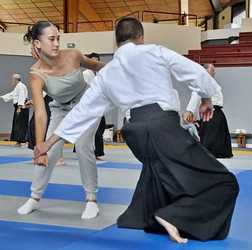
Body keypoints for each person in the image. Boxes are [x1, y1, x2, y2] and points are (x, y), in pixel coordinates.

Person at [33, 18, 239, 243]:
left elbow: (82, 112)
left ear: (117, 41)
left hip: (136, 135)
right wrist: (206, 97)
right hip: (163, 128)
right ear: (140, 38)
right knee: (224, 183)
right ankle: (172, 216)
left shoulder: (107, 73)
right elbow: (194, 72)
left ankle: (154, 217)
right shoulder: (155, 51)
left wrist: (47, 142)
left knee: (163, 175)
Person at [17, 21, 105, 219]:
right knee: (50, 149)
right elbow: (40, 112)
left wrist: (121, 69)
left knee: (83, 145)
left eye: (58, 38)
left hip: (87, 105)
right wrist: (40, 147)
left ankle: (91, 200)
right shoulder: (36, 73)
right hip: (60, 108)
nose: (56, 43)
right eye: (51, 39)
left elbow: (97, 65)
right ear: (38, 44)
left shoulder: (72, 55)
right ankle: (34, 197)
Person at [25, 46, 66, 165]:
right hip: (48, 97)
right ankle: (44, 154)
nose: (30, 52)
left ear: (38, 51)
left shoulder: (47, 65)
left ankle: (54, 155)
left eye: (32, 49)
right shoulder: (39, 66)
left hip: (54, 98)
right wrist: (33, 101)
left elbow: (49, 84)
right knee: (37, 126)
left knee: (44, 126)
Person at [183, 64, 233, 158]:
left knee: (220, 134)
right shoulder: (202, 83)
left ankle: (221, 152)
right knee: (211, 133)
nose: (215, 72)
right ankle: (207, 152)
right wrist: (189, 111)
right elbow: (195, 96)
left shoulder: (213, 83)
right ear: (207, 72)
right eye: (213, 70)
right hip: (210, 112)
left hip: (218, 111)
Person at [83, 52, 106, 160]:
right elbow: (83, 89)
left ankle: (94, 152)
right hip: (89, 105)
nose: (95, 62)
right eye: (93, 60)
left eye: (97, 60)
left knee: (100, 127)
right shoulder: (86, 73)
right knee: (94, 130)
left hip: (99, 104)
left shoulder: (100, 74)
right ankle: (94, 153)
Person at [0, 74, 29, 147]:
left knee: (23, 125)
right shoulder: (17, 87)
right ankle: (18, 142)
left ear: (16, 79)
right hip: (18, 107)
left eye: (12, 79)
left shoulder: (21, 86)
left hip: (22, 108)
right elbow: (11, 95)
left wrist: (19, 107)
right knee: (17, 125)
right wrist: (1, 97)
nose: (12, 81)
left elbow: (22, 97)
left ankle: (27, 142)